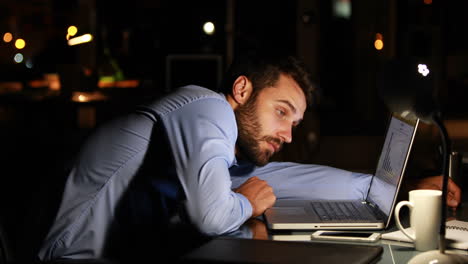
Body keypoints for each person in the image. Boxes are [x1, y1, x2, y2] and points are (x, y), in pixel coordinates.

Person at [37, 53, 461, 262]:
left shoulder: (222, 144)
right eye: (281, 112)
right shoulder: (206, 109)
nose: (287, 133)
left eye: (295, 123)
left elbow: (286, 177)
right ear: (242, 91)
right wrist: (248, 207)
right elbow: (212, 217)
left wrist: (399, 192)